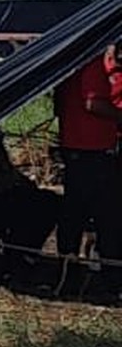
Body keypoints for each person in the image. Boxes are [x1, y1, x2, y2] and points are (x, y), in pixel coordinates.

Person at [54, 51, 122, 291]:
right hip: (90, 150)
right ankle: (111, 278)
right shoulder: (92, 63)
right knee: (108, 216)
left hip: (79, 147)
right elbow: (93, 102)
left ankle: (68, 271)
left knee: (76, 212)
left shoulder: (78, 60)